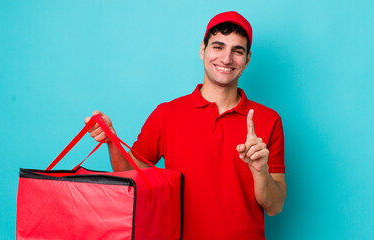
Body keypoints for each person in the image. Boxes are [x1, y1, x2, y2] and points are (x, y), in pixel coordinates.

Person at [85, 11, 286, 240]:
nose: (227, 59)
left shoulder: (268, 120)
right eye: (218, 47)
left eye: (237, 51)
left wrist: (260, 171)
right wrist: (111, 140)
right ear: (203, 50)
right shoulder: (167, 114)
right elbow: (130, 177)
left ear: (247, 59)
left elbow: (275, 206)